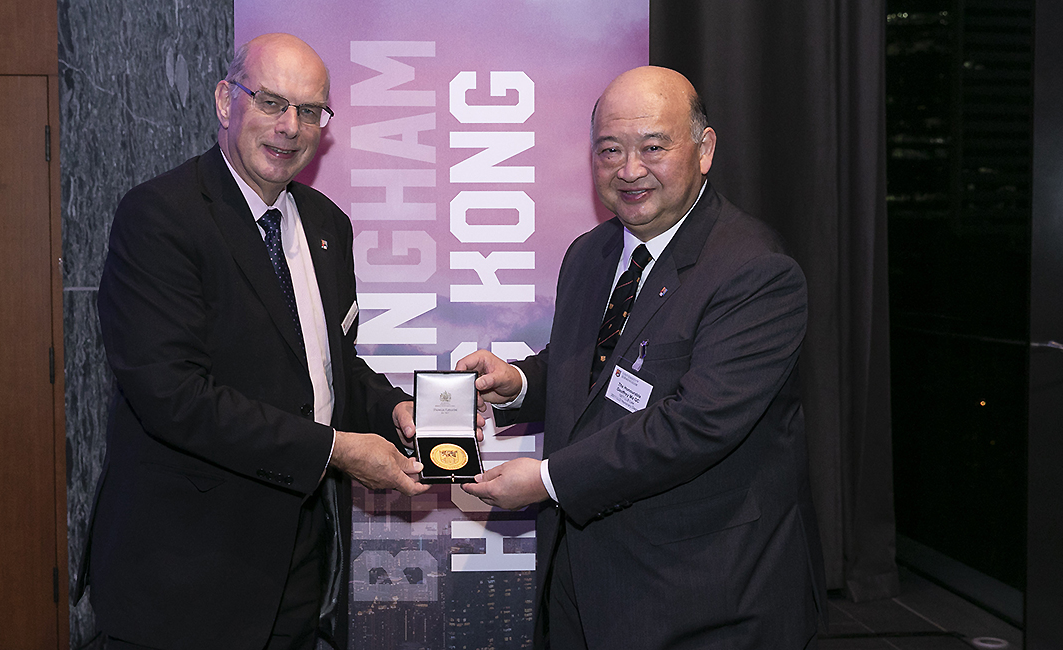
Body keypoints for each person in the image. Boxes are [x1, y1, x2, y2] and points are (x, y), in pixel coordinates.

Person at [78, 33, 429, 650]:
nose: (289, 126)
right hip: (183, 574)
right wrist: (336, 452)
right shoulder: (161, 217)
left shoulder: (326, 226)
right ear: (224, 101)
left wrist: (394, 409)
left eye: (309, 111)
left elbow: (328, 367)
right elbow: (174, 396)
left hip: (297, 566)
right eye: (270, 102)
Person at [457, 66, 826, 649]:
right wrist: (521, 383)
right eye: (610, 149)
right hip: (584, 581)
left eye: (653, 147)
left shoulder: (755, 270)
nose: (629, 170)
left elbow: (695, 424)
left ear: (703, 149)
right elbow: (601, 366)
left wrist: (549, 480)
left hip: (705, 596)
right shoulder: (590, 253)